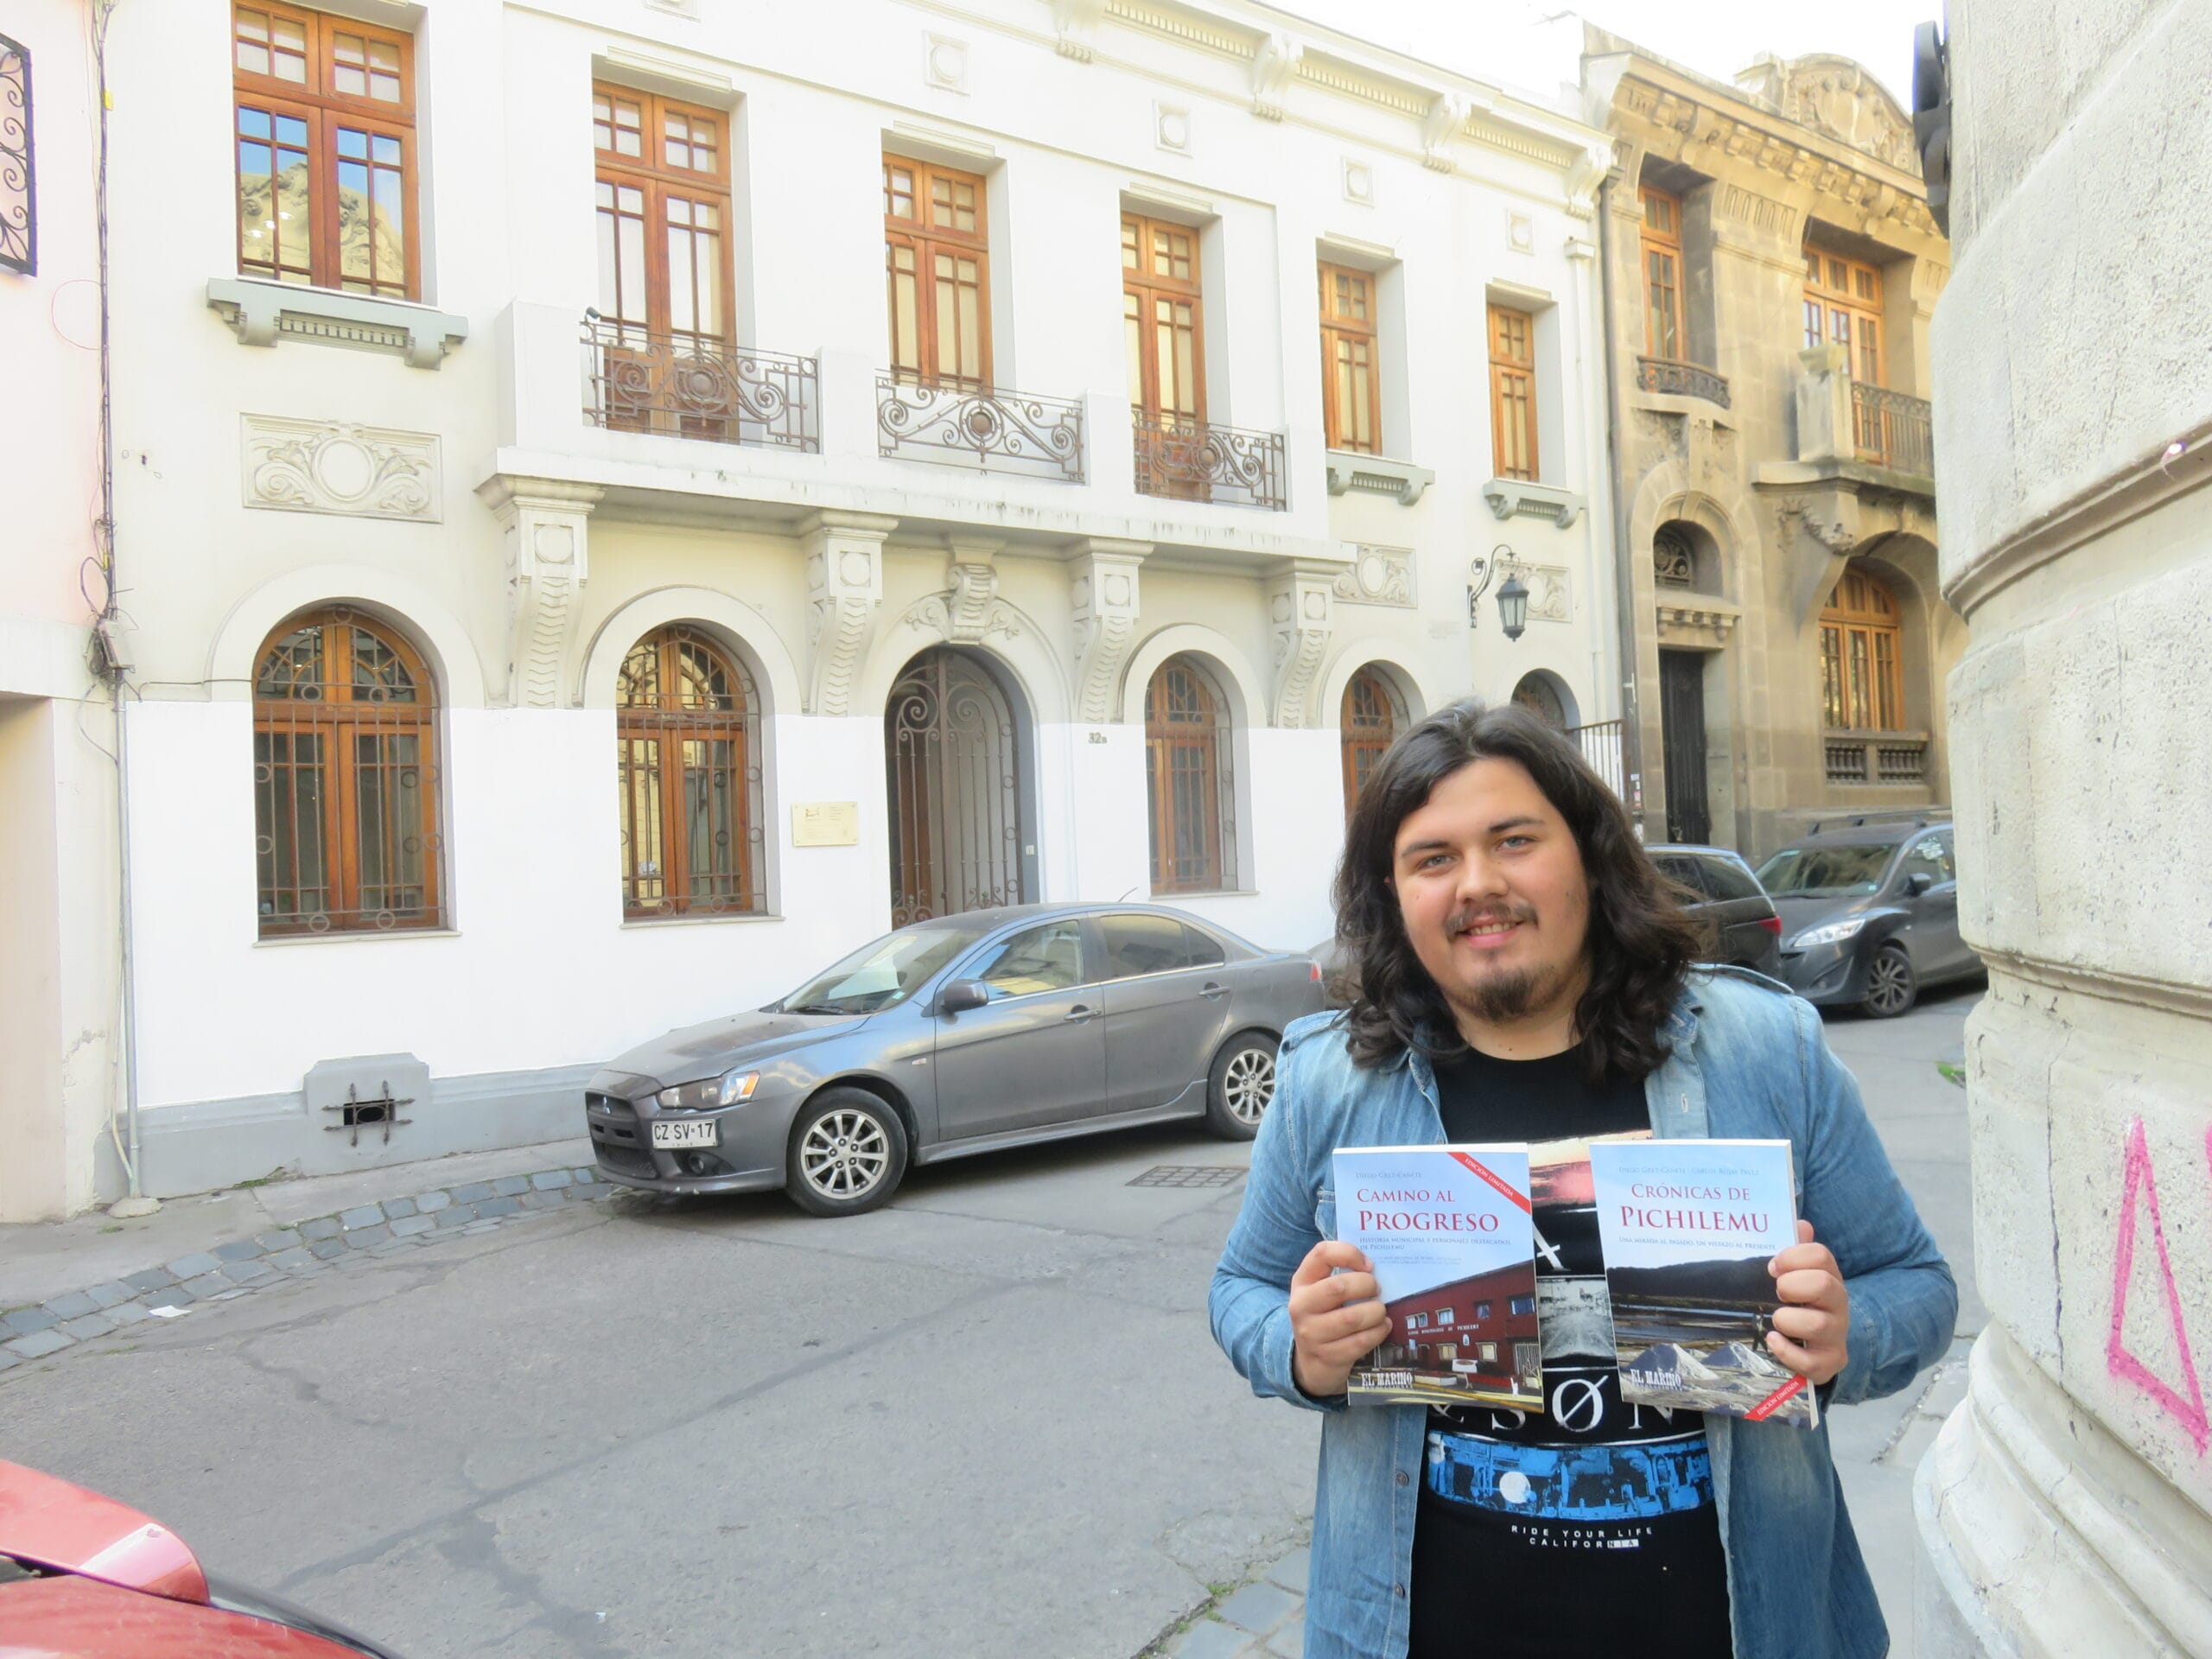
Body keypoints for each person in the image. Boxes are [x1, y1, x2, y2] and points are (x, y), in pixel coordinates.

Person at [1210, 700, 1955, 1659]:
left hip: (1732, 1626)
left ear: (1589, 855)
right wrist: (1301, 1353)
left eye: (1514, 841)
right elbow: (1240, 1289)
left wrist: (1844, 1337)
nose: (1477, 885)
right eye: (1432, 859)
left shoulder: (1758, 1048)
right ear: (1391, 894)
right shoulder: (1329, 1078)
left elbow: (1918, 1287)